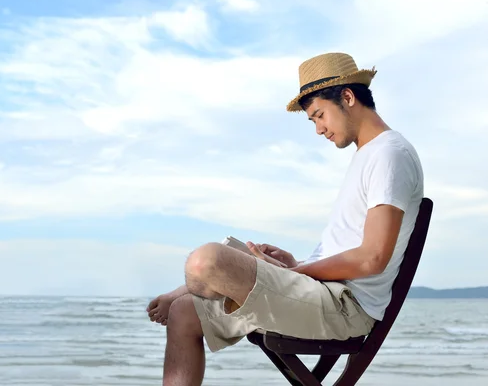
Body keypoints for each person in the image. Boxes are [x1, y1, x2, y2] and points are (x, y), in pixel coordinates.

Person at [146, 52, 424, 386]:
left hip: (345, 309)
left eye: (320, 115)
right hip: (323, 292)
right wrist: (297, 264)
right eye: (313, 121)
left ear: (348, 97)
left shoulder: (389, 153)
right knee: (184, 313)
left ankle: (186, 288)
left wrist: (293, 273)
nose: (319, 129)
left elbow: (373, 257)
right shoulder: (369, 156)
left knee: (206, 262)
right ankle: (183, 294)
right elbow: (351, 250)